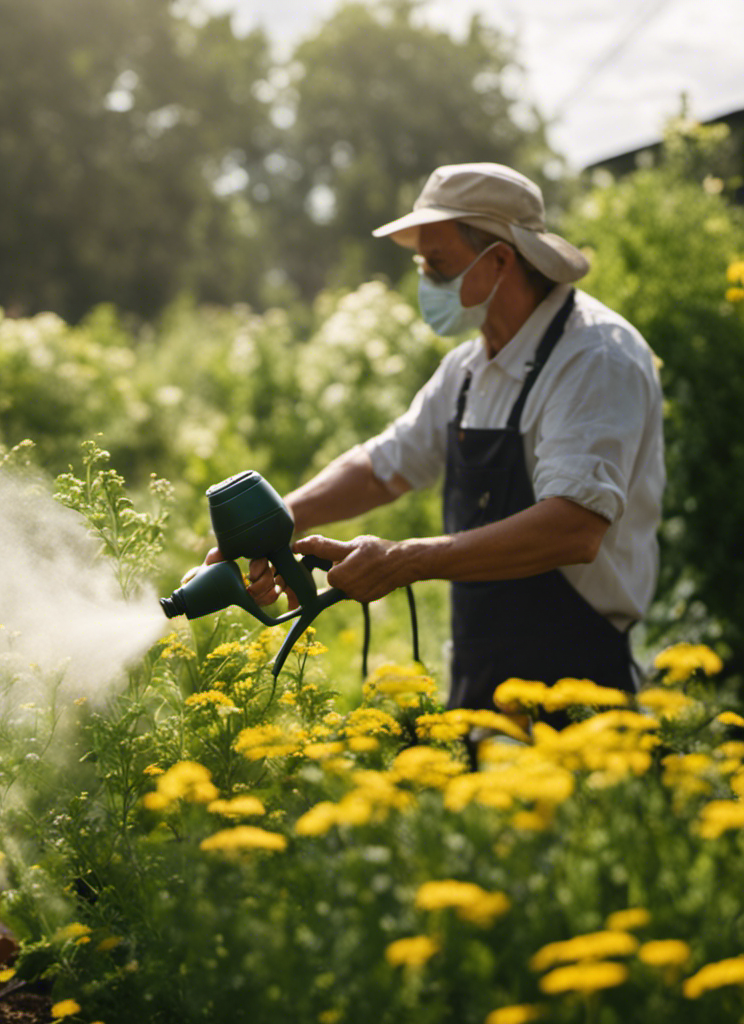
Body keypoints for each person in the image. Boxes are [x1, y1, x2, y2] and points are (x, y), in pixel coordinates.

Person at [206, 161, 665, 712]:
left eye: (438, 264)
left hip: (582, 688)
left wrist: (405, 560)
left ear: (499, 260)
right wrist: (276, 524)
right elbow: (385, 464)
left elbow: (573, 529)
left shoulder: (595, 356)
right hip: (482, 675)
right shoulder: (468, 369)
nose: (425, 281)